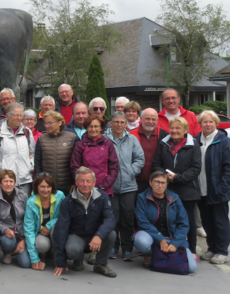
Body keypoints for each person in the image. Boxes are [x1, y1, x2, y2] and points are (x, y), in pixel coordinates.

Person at [152, 117, 202, 260]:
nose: (174, 131)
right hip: (167, 187)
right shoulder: (163, 143)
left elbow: (196, 168)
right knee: (167, 219)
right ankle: (171, 247)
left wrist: (178, 178)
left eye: (178, 128)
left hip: (187, 189)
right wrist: (165, 178)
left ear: (186, 130)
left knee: (188, 221)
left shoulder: (194, 145)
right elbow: (156, 163)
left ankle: (192, 249)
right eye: (172, 128)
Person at [53, 167, 116, 277]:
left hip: (95, 235)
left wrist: (99, 235)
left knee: (111, 234)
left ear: (94, 182)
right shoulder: (67, 201)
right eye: (81, 180)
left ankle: (100, 264)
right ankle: (78, 259)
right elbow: (61, 229)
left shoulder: (103, 197)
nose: (85, 184)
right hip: (76, 235)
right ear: (76, 182)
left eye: (88, 181)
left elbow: (110, 219)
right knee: (73, 250)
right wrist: (60, 260)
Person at [195, 110, 230, 265]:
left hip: (218, 190)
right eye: (204, 122)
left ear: (216, 123)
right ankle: (212, 248)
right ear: (200, 124)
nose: (207, 124)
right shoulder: (196, 140)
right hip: (201, 190)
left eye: (211, 121)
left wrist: (224, 188)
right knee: (207, 222)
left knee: (220, 221)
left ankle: (222, 251)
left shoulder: (224, 142)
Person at [134, 171, 197, 272]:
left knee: (192, 268)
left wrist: (175, 244)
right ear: (150, 182)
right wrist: (160, 239)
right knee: (141, 242)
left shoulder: (175, 198)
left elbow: (184, 224)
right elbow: (142, 222)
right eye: (157, 182)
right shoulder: (142, 197)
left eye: (163, 183)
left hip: (172, 237)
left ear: (167, 184)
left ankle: (160, 254)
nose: (160, 185)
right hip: (152, 236)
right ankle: (151, 254)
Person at [104, 112, 144, 261]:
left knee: (128, 218)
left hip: (129, 186)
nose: (119, 125)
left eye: (122, 122)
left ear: (126, 124)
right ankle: (114, 246)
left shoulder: (132, 139)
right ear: (111, 123)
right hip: (111, 187)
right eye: (116, 122)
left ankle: (127, 248)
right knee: (113, 218)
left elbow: (139, 159)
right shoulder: (105, 139)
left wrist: (131, 172)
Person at [24, 173, 65, 271]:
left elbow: (64, 216)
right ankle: (43, 253)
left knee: (56, 230)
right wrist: (34, 259)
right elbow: (28, 229)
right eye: (42, 186)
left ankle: (57, 257)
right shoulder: (31, 202)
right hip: (40, 233)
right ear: (37, 187)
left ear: (52, 187)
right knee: (41, 245)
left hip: (54, 229)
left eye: (48, 187)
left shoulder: (60, 196)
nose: (45, 190)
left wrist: (49, 225)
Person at [0, 103, 35, 194]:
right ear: (8, 116)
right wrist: (1, 169)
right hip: (5, 181)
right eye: (16, 115)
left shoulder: (27, 132)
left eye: (21, 115)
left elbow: (33, 153)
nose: (19, 118)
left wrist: (30, 165)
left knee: (22, 207)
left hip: (24, 180)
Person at [70, 115, 118, 196]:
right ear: (86, 128)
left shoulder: (108, 144)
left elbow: (114, 167)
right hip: (85, 189)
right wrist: (83, 184)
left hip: (105, 190)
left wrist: (103, 186)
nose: (93, 129)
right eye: (90, 126)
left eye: (96, 126)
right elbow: (75, 167)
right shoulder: (80, 145)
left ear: (101, 128)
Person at [34, 111, 78, 194]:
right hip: (47, 188)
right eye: (45, 123)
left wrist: (74, 182)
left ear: (60, 123)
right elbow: (38, 164)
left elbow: (76, 163)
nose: (47, 126)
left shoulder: (72, 138)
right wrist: (37, 183)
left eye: (50, 123)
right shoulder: (41, 139)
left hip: (68, 187)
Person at [0, 170, 30, 267]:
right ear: (0, 183)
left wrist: (24, 240)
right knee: (8, 242)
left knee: (25, 264)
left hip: (21, 234)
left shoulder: (23, 195)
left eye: (11, 181)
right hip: (6, 234)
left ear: (15, 182)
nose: (8, 184)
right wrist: (5, 230)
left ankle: (20, 247)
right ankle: (7, 252)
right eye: (5, 181)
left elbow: (28, 219)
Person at [129, 108, 169, 194]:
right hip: (136, 181)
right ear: (141, 118)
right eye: (147, 118)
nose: (150, 122)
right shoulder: (131, 135)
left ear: (157, 120)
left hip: (159, 182)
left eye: (153, 119)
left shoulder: (164, 135)